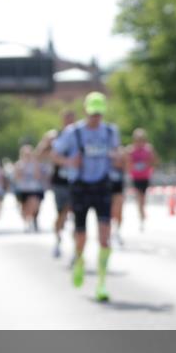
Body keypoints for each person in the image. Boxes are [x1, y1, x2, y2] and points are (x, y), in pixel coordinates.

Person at [51, 92, 122, 301]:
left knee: (104, 237)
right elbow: (54, 155)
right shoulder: (73, 132)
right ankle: (79, 260)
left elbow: (117, 155)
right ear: (85, 111)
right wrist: (69, 162)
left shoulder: (110, 132)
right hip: (80, 186)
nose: (96, 118)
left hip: (102, 185)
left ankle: (101, 282)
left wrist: (117, 157)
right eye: (92, 114)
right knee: (81, 235)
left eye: (99, 114)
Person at [48, 111, 77, 257]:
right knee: (61, 214)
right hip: (60, 181)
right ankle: (58, 240)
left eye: (72, 120)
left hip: (76, 181)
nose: (70, 123)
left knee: (74, 213)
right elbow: (43, 154)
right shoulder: (55, 136)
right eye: (67, 120)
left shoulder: (79, 134)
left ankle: (76, 248)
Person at [127, 128, 156, 231]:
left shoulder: (148, 149)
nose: (139, 142)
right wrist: (133, 168)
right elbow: (128, 164)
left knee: (143, 198)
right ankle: (141, 217)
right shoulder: (130, 150)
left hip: (145, 177)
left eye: (141, 139)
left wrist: (146, 165)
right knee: (139, 198)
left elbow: (154, 161)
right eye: (137, 140)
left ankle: (142, 214)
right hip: (136, 177)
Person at [13, 144, 45, 233]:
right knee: (24, 208)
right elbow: (16, 177)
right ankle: (27, 222)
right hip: (22, 189)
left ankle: (32, 220)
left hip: (34, 189)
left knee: (34, 205)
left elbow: (38, 176)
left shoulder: (36, 164)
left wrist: (34, 163)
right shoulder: (19, 164)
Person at [108, 134, 126, 246]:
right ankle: (108, 232)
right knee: (108, 211)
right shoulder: (104, 149)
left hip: (118, 185)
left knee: (119, 209)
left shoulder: (121, 152)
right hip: (106, 185)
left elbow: (125, 165)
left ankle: (118, 231)